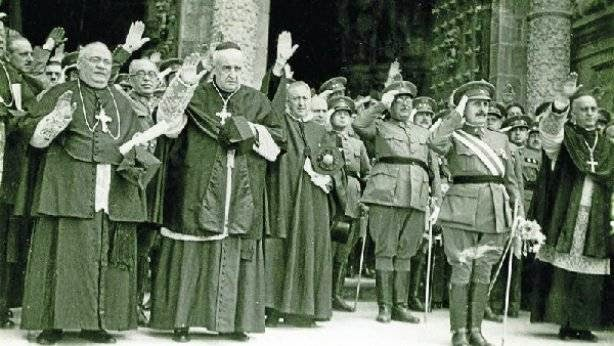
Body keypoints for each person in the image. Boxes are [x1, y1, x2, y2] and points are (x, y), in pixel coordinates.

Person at [19, 42, 158, 345]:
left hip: (110, 191)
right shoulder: (60, 93)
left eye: (106, 62)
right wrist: (56, 120)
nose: (101, 67)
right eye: (94, 61)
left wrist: (139, 152)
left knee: (104, 256)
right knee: (62, 256)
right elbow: (32, 136)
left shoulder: (121, 101)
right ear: (79, 65)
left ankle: (97, 324)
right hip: (67, 188)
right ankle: (51, 325)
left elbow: (135, 141)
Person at [149, 44, 283, 342]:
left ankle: (233, 323)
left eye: (237, 68)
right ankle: (181, 321)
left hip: (240, 190)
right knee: (192, 251)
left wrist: (250, 129)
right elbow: (166, 123)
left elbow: (277, 140)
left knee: (235, 249)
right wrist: (184, 81)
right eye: (226, 68)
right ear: (215, 69)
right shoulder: (197, 95)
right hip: (196, 187)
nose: (232, 74)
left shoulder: (255, 100)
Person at [429, 80, 521, 345]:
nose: (482, 109)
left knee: (483, 271)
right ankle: (458, 330)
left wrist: (519, 212)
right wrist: (455, 115)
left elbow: (511, 179)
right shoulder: (453, 135)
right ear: (463, 107)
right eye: (475, 104)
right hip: (461, 209)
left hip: (495, 209)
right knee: (462, 268)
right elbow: (434, 142)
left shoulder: (500, 138)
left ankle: (476, 329)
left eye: (485, 104)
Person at [530, 72, 613, 342]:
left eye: (593, 109)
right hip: (568, 210)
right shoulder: (565, 139)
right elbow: (548, 134)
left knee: (590, 268)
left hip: (598, 213)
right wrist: (562, 100)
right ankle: (565, 322)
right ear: (574, 114)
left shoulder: (608, 146)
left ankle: (584, 323)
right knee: (565, 267)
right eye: (584, 110)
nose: (590, 114)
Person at [353, 81, 441, 324]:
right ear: (391, 105)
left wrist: (436, 197)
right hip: (386, 195)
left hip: (416, 196)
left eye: (408, 100)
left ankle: (400, 306)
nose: (404, 103)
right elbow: (358, 124)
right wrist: (381, 102)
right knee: (385, 248)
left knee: (406, 251)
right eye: (398, 100)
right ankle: (385, 307)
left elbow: (431, 166)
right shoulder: (379, 126)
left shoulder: (423, 133)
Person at [327, 95, 370, 312]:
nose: (343, 117)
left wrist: (367, 198)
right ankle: (322, 293)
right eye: (338, 113)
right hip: (329, 195)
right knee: (328, 245)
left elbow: (367, 173)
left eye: (347, 114)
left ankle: (336, 294)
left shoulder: (357, 144)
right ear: (330, 115)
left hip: (351, 195)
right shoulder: (324, 137)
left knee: (344, 248)